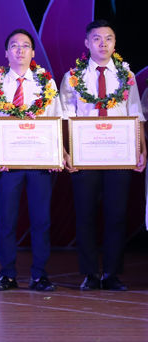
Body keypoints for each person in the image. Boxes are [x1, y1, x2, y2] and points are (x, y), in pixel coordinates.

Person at [59, 19, 145, 291]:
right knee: (85, 215)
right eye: (96, 38)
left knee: (116, 215)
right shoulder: (73, 76)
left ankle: (112, 274)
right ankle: (90, 274)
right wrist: (66, 152)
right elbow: (65, 117)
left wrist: (142, 148)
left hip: (119, 154)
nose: (103, 43)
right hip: (84, 155)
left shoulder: (126, 76)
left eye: (108, 38)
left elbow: (136, 114)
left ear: (115, 43)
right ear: (87, 43)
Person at [0, 29, 63, 292]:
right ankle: (7, 274)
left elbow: (56, 120)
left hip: (40, 162)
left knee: (41, 220)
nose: (20, 50)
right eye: (14, 46)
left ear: (33, 52)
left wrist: (57, 153)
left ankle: (40, 275)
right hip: (8, 163)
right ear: (6, 53)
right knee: (7, 220)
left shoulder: (46, 84)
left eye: (25, 46)